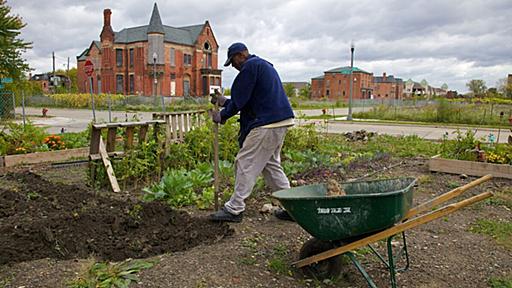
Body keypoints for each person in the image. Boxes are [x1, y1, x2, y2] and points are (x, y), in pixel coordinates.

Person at [208, 42, 294, 223]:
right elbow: (246, 98)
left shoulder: (250, 67)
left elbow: (240, 101)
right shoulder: (262, 66)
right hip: (279, 121)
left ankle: (234, 209)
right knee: (270, 166)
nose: (233, 66)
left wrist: (221, 115)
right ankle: (293, 207)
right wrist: (225, 102)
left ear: (240, 55)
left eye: (233, 61)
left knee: (245, 162)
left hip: (267, 124)